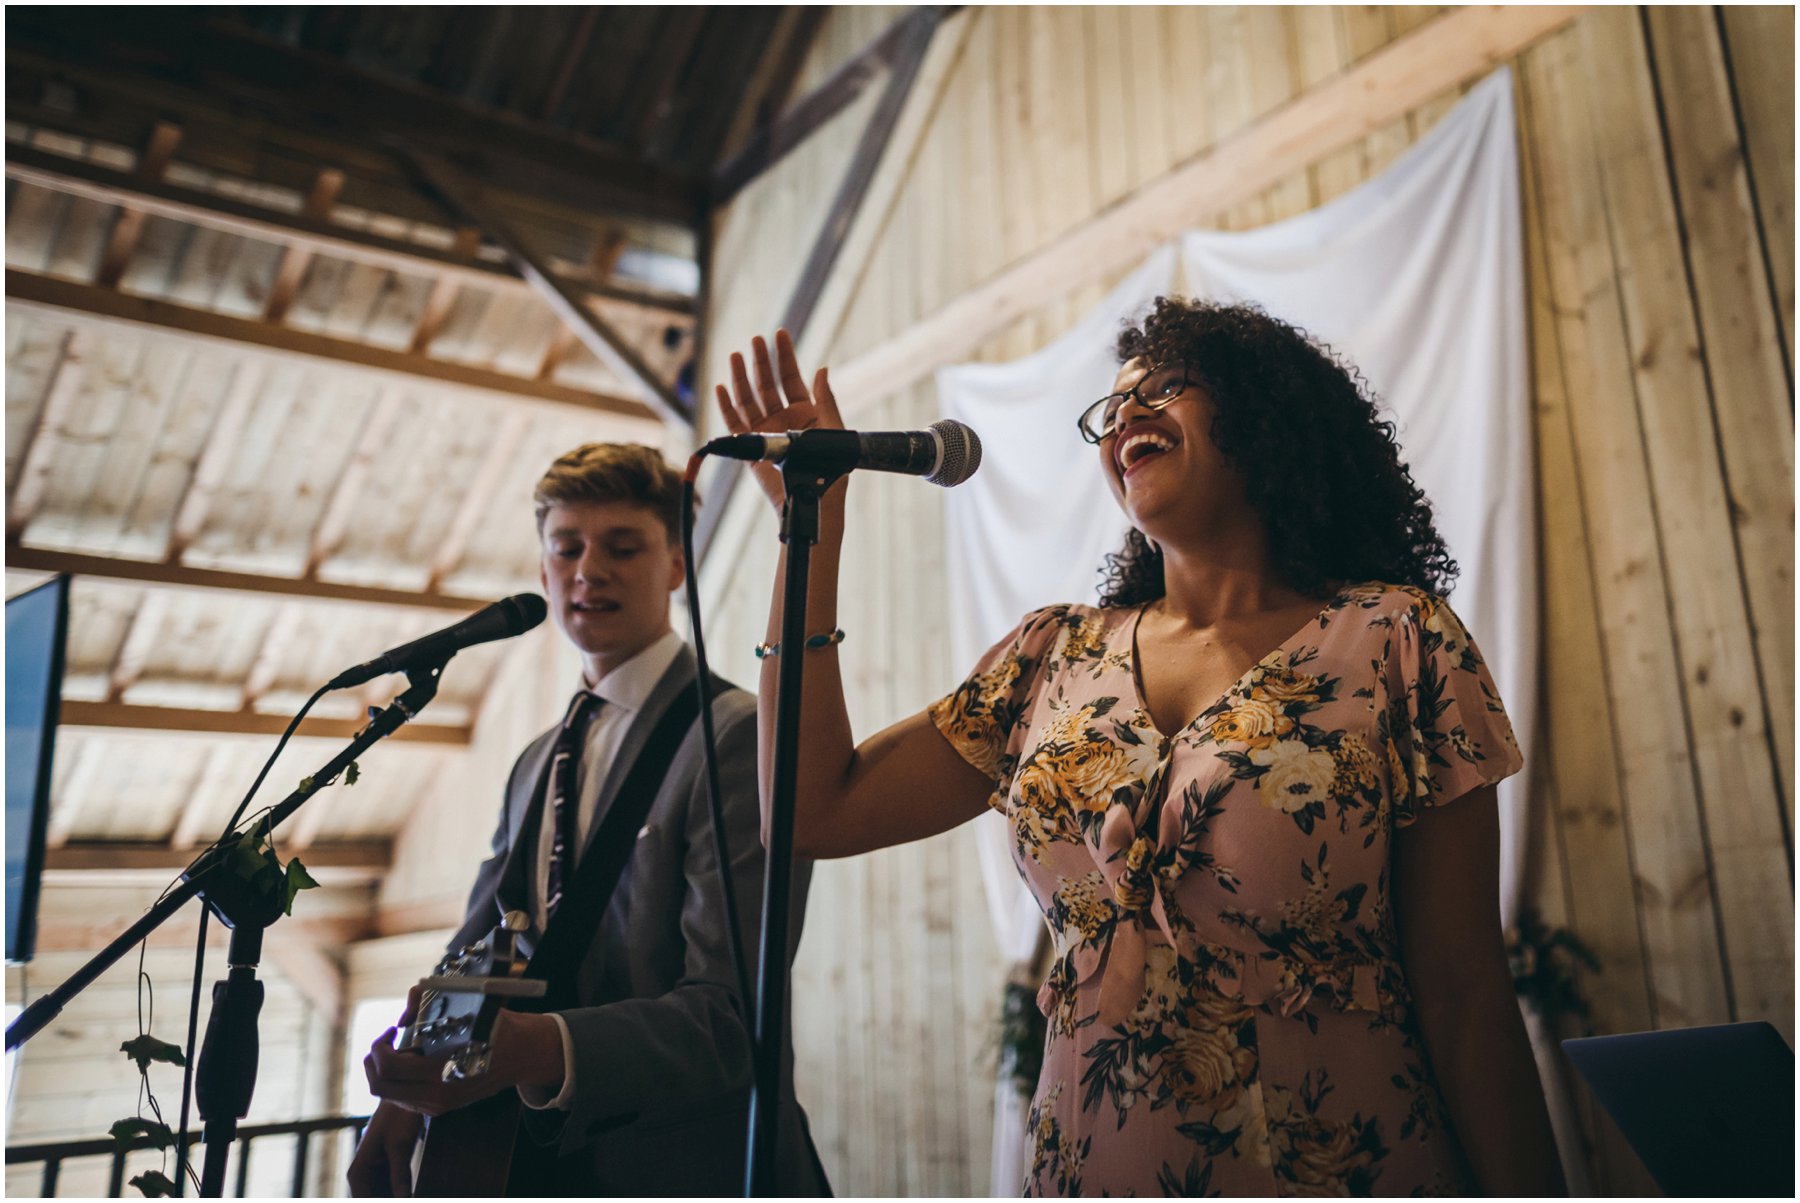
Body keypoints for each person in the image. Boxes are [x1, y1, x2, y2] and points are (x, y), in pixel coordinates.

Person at [715, 305, 1565, 1197]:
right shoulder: (1050, 657)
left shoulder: (1397, 638)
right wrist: (811, 534)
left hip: (1338, 1160)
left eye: (1164, 386)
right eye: (1111, 406)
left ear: (1266, 414)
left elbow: (1467, 994)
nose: (1126, 415)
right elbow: (810, 808)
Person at [349, 443, 827, 1197]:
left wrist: (539, 1046)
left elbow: (731, 1019)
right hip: (531, 1162)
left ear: (677, 564)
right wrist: (405, 1093)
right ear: (542, 571)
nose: (587, 569)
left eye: (622, 546)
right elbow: (485, 946)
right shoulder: (537, 760)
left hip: (697, 1167)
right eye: (566, 547)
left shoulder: (736, 736)